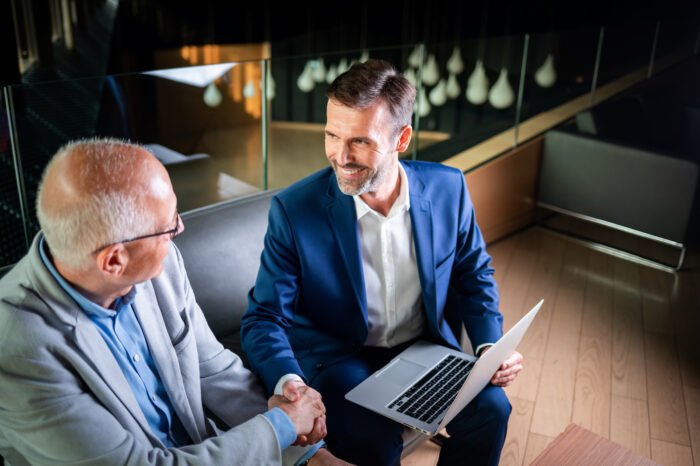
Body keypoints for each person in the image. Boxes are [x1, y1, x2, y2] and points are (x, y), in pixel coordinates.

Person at [241, 59, 523, 466]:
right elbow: (264, 318)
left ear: (402, 138)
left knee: (492, 410)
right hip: (339, 359)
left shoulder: (449, 188)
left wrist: (489, 347)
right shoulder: (294, 210)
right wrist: (290, 384)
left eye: (360, 141)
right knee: (374, 440)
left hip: (424, 351)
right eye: (332, 135)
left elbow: (473, 273)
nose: (341, 156)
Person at [0, 139, 349, 465]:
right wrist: (282, 425)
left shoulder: (160, 265)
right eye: (168, 228)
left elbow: (215, 370)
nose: (179, 229)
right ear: (114, 261)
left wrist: (306, 452)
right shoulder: (16, 351)